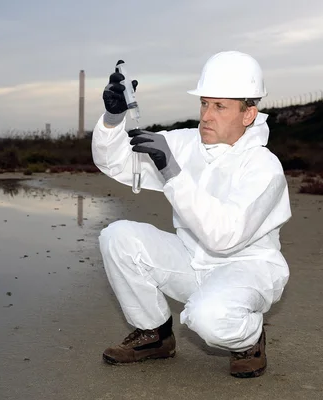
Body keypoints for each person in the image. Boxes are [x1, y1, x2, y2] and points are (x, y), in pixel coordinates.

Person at [90, 50, 292, 378]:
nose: (207, 116)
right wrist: (113, 121)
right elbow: (116, 163)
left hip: (245, 269)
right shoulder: (184, 143)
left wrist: (172, 172)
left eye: (220, 106)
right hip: (189, 261)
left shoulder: (263, 167)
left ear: (248, 114)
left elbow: (224, 237)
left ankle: (249, 338)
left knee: (207, 318)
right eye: (204, 104)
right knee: (117, 237)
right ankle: (154, 334)